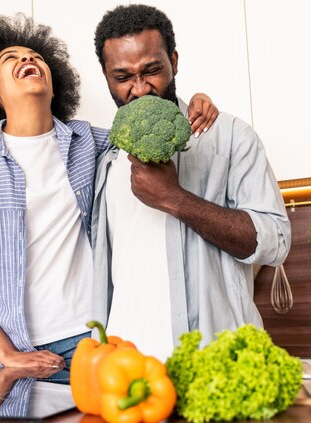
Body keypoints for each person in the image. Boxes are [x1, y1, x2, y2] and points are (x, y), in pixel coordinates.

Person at [0, 13, 217, 374]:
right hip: (9, 348)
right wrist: (4, 352)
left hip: (92, 344)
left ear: (55, 86)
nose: (28, 60)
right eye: (11, 58)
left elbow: (152, 122)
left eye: (36, 57)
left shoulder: (94, 143)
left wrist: (198, 99)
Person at [90, 4, 291, 361]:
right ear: (105, 76)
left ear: (174, 61)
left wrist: (175, 199)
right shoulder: (99, 155)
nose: (140, 89)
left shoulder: (228, 136)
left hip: (219, 360)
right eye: (122, 77)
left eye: (152, 70)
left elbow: (275, 243)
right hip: (129, 368)